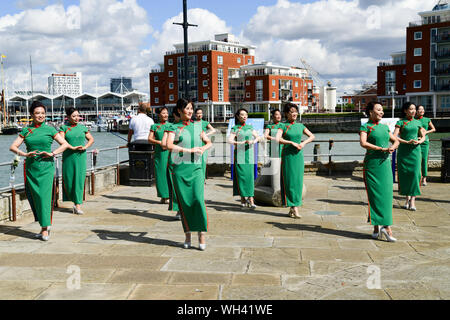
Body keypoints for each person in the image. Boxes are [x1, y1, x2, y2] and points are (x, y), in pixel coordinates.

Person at [9, 101, 70, 241]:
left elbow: (65, 144)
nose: (40, 116)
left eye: (43, 113)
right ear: (31, 115)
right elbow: (13, 147)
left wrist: (52, 153)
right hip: (31, 168)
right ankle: (43, 225)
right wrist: (24, 154)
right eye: (37, 113)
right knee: (34, 198)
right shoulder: (26, 130)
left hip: (47, 168)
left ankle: (45, 229)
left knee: (44, 197)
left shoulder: (50, 130)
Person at [166, 99, 212, 250]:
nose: (190, 111)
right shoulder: (174, 127)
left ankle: (201, 234)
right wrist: (189, 151)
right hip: (180, 169)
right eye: (187, 108)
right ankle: (187, 235)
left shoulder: (198, 126)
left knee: (198, 200)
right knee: (184, 203)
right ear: (179, 110)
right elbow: (169, 145)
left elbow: (208, 142)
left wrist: (203, 149)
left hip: (197, 168)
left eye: (191, 108)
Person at [360, 102, 399, 242]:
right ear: (370, 112)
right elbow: (363, 143)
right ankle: (379, 227)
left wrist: (392, 147)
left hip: (385, 165)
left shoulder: (384, 127)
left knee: (387, 196)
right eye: (378, 110)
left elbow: (396, 141)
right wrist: (380, 149)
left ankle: (385, 226)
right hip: (372, 165)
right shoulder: (365, 127)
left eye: (382, 110)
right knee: (374, 196)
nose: (381, 112)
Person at [276, 103, 315, 219]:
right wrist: (291, 143)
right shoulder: (283, 126)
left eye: (295, 111)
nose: (294, 114)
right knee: (290, 182)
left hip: (298, 156)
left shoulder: (301, 126)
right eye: (291, 112)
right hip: (288, 156)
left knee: (298, 182)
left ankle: (293, 208)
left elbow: (312, 136)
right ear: (286, 114)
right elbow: (278, 139)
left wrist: (303, 143)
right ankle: (294, 207)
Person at [59, 107, 95, 215]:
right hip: (68, 156)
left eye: (77, 116)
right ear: (68, 117)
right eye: (73, 116)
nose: (76, 118)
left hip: (80, 156)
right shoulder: (63, 127)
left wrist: (85, 147)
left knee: (79, 180)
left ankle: (78, 205)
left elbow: (91, 139)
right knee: (69, 180)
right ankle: (73, 201)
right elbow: (61, 142)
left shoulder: (83, 128)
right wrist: (72, 147)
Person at [393, 102, 426, 211]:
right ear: (405, 110)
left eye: (414, 109)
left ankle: (413, 200)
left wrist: (419, 141)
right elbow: (394, 136)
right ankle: (407, 198)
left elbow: (423, 136)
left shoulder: (418, 122)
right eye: (410, 109)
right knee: (405, 174)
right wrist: (406, 142)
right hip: (403, 152)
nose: (413, 111)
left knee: (416, 175)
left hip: (415, 152)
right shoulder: (400, 122)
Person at [227, 108, 261, 209]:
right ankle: (242, 198)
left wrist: (253, 142)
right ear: (238, 116)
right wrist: (240, 143)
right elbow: (230, 140)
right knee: (241, 176)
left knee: (250, 177)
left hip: (249, 155)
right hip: (240, 154)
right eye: (242, 115)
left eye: (246, 114)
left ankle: (251, 199)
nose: (244, 116)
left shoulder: (250, 127)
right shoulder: (235, 128)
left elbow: (258, 137)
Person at [148, 107, 172, 204]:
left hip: (170, 152)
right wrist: (158, 142)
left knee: (169, 174)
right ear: (159, 115)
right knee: (160, 175)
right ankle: (163, 196)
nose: (166, 115)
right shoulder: (154, 126)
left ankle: (169, 195)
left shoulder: (171, 126)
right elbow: (149, 139)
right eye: (163, 113)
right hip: (159, 153)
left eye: (167, 113)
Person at [416, 105, 436, 186]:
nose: (421, 110)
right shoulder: (414, 120)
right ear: (416, 111)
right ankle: (418, 178)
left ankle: (424, 178)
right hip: (416, 142)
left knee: (424, 160)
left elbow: (433, 129)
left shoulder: (427, 119)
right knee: (417, 160)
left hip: (425, 142)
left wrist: (425, 132)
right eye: (420, 109)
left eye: (422, 109)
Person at [194, 108, 217, 179]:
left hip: (203, 144)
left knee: (203, 162)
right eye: (198, 113)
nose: (199, 115)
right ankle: (195, 178)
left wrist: (206, 135)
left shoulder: (205, 123)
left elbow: (213, 130)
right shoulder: (192, 123)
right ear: (195, 114)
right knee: (194, 161)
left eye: (201, 113)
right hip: (194, 144)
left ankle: (202, 178)